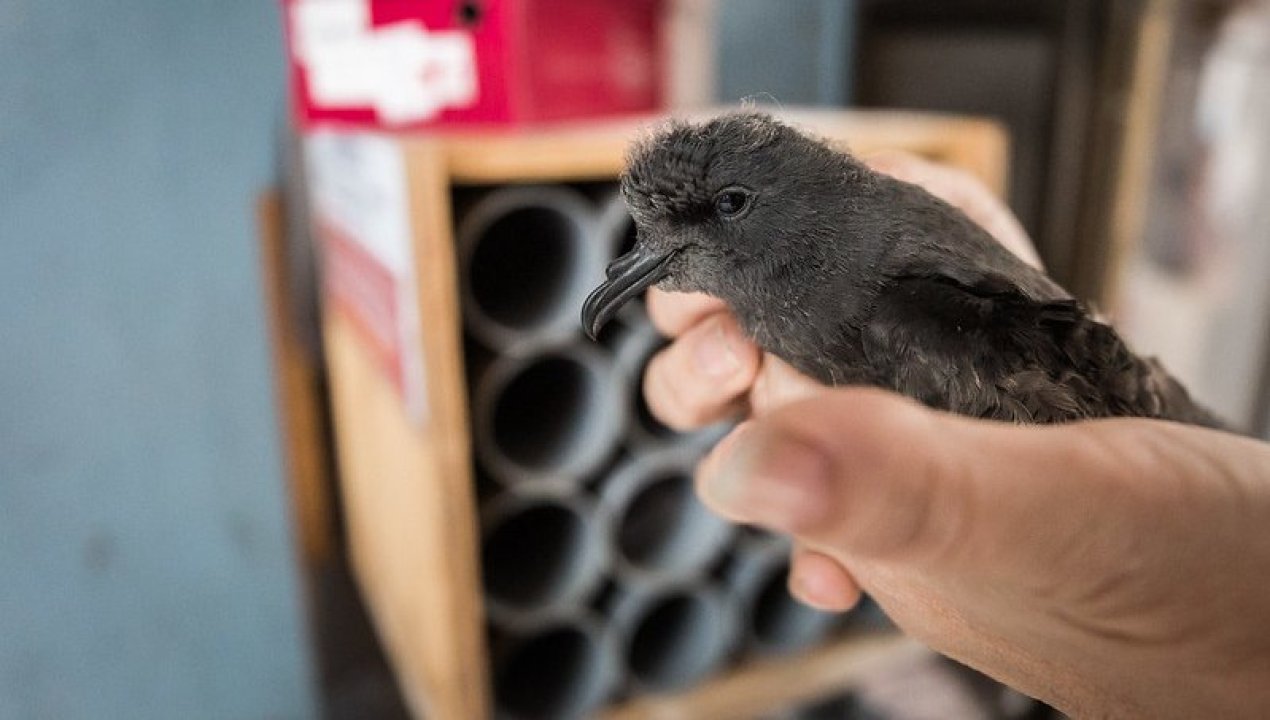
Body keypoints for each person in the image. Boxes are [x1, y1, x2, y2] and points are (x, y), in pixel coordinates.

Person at [640, 152, 1270, 718]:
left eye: (728, 206)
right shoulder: (825, 251)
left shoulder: (900, 308)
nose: (642, 257)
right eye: (650, 232)